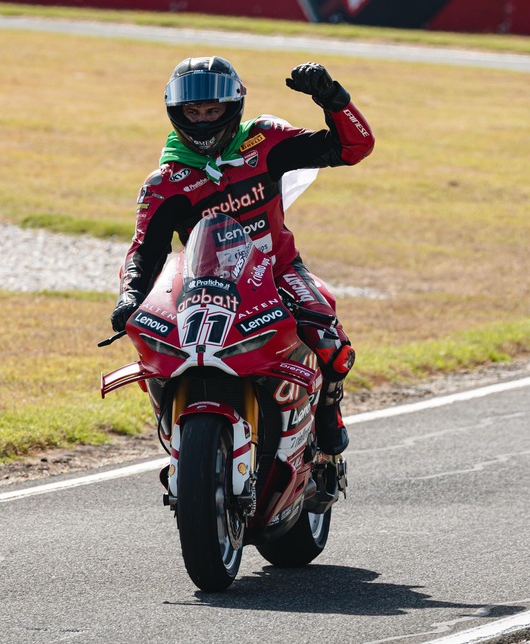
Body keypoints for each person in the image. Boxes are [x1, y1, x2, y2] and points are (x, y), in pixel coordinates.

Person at [110, 56, 375, 455]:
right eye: (192, 111)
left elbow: (354, 148)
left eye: (212, 110)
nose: (201, 121)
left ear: (232, 108)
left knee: (329, 340)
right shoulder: (166, 181)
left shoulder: (264, 141)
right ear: (175, 113)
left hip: (277, 270)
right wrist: (129, 297)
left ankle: (328, 410)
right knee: (159, 348)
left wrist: (332, 99)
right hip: (202, 284)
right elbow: (145, 251)